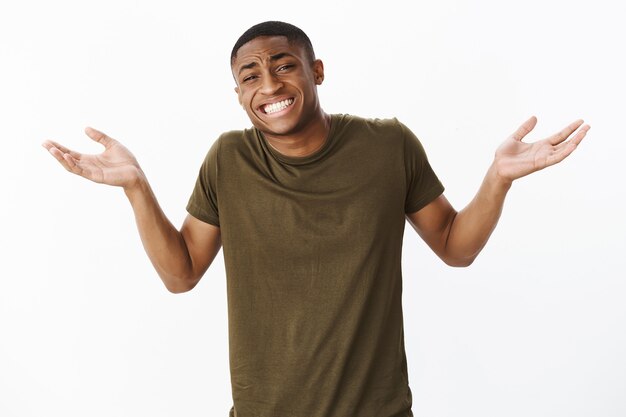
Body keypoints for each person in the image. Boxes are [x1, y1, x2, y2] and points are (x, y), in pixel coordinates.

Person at [42, 20, 589, 417]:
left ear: (316, 71)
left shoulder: (388, 145)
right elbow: (181, 274)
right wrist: (136, 188)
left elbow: (455, 246)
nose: (270, 85)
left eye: (284, 66)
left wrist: (498, 178)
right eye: (250, 75)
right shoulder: (228, 159)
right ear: (239, 94)